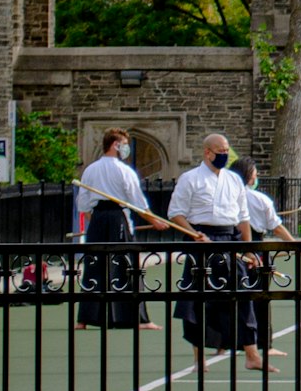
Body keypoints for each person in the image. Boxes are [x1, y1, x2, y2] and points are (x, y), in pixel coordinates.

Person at [168, 134, 271, 372]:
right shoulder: (190, 178)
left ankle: (252, 355)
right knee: (198, 301)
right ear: (207, 152)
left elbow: (243, 218)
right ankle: (199, 359)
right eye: (220, 150)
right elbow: (175, 213)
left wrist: (249, 250)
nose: (224, 153)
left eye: (226, 149)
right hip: (202, 239)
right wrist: (194, 234)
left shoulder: (234, 180)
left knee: (243, 296)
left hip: (230, 240)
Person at [75, 128, 168, 330]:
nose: (127, 149)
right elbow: (138, 202)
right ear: (116, 145)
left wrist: (95, 221)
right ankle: (139, 319)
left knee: (95, 266)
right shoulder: (124, 171)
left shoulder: (90, 169)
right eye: (125, 144)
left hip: (98, 218)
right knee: (126, 265)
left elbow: (83, 203)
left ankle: (84, 320)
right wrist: (155, 221)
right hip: (117, 218)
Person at [236, 156, 293, 357]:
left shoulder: (227, 196)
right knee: (260, 298)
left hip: (231, 248)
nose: (256, 177)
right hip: (255, 250)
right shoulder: (258, 199)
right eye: (255, 174)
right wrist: (294, 244)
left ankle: (225, 342)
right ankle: (264, 345)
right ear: (249, 177)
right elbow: (276, 227)